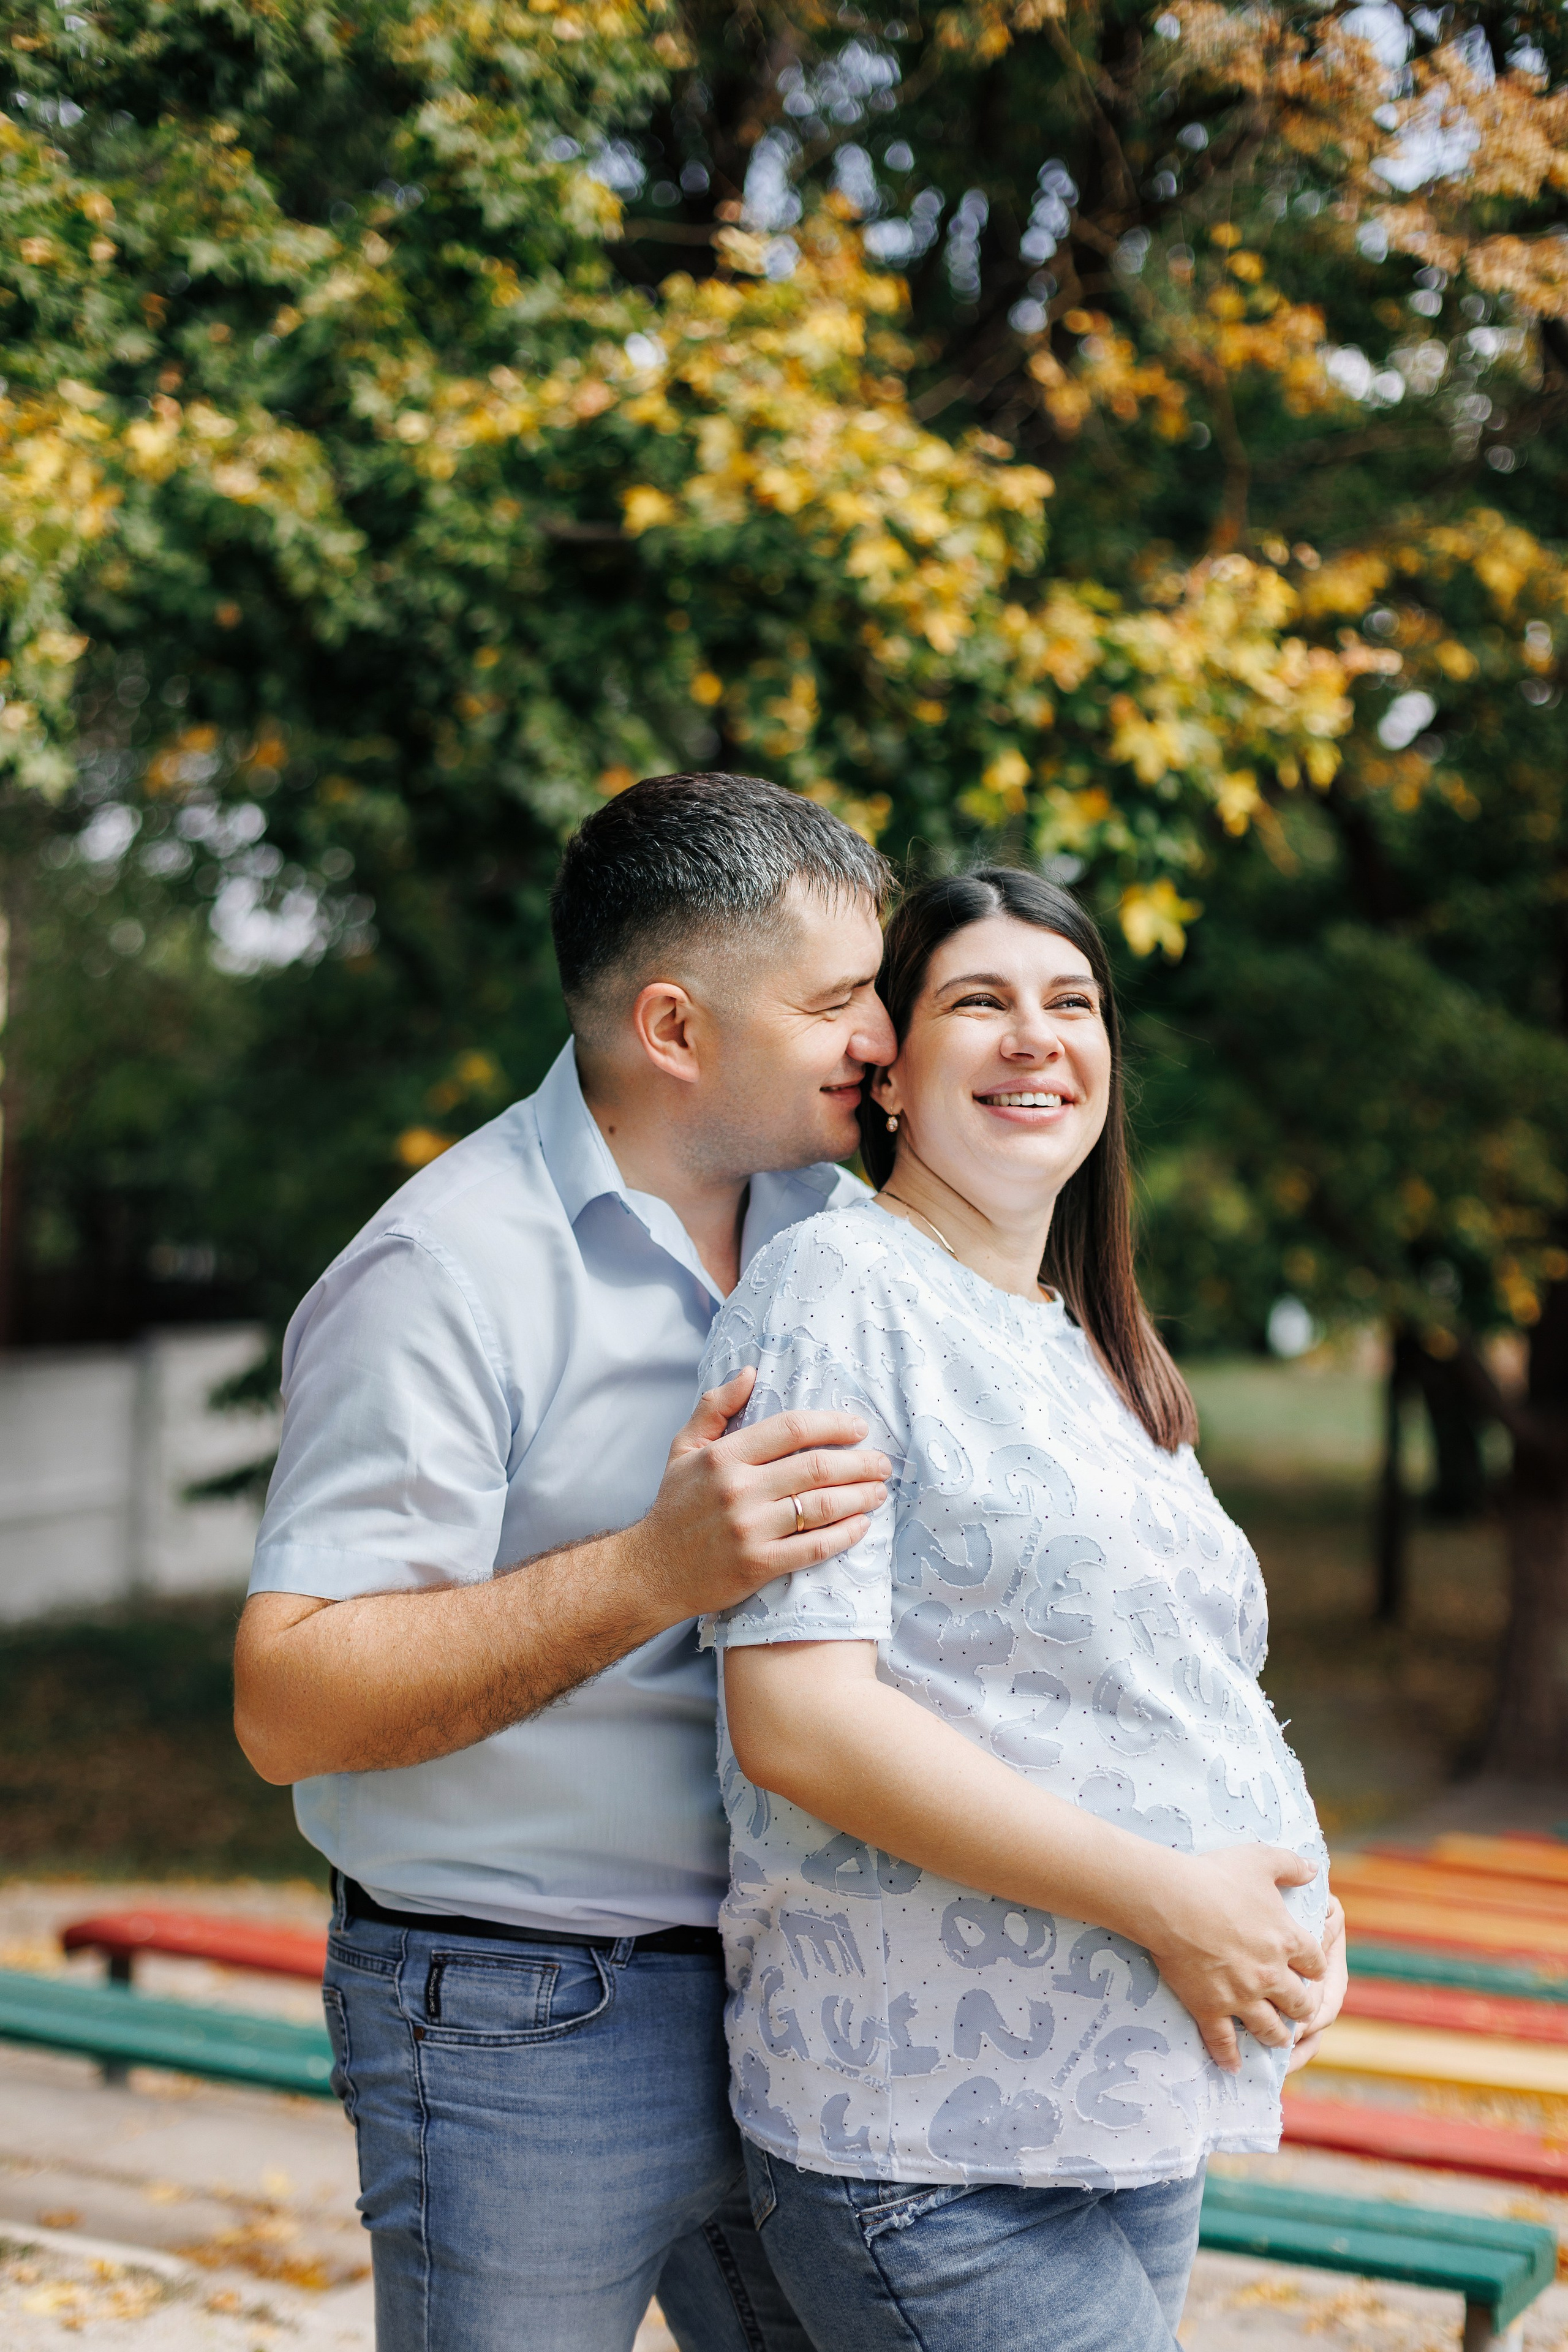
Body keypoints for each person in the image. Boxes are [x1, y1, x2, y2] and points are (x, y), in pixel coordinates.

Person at [232, 772, 905, 2352]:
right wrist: (653, 1569)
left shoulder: (845, 1233)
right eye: (835, 1003)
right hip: (517, 2015)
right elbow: (288, 1704)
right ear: (673, 1029)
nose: (882, 1037)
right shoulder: (441, 1271)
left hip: (812, 1995)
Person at [698, 867, 1348, 2352]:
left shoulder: (1085, 1341)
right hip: (930, 2134)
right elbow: (798, 1718)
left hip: (1119, 2104)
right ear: (890, 1072)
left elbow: (1185, 1688)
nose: (1033, 1036)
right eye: (977, 1002)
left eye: (1071, 1003)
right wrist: (1175, 1902)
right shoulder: (837, 1292)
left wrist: (1291, 1910)